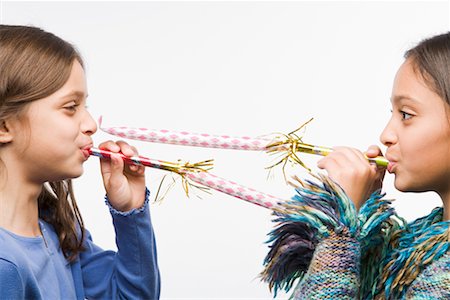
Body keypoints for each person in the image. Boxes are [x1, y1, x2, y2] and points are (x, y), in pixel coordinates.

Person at [262, 31, 450, 299]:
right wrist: (360, 217)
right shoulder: (418, 246)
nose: (386, 135)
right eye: (393, 114)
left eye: (406, 114)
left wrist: (340, 235)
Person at [0, 25, 160, 299]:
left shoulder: (58, 227)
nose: (89, 124)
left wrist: (130, 212)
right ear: (4, 126)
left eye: (85, 107)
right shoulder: (6, 267)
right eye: (71, 107)